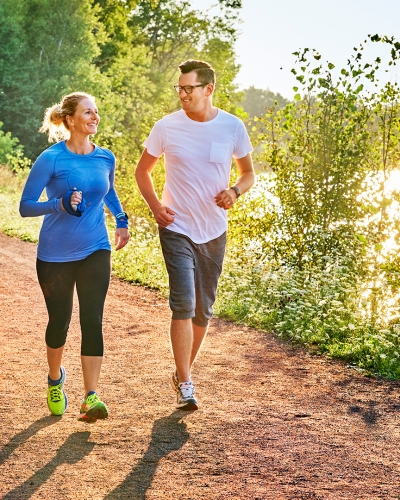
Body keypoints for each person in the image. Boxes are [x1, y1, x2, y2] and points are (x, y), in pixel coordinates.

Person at [135, 60, 255, 411]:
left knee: (204, 310)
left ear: (208, 89)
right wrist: (156, 206)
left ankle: (180, 371)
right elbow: (142, 171)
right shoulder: (166, 127)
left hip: (214, 230)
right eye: (180, 88)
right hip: (177, 226)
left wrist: (234, 191)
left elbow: (248, 174)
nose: (183, 94)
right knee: (184, 304)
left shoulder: (232, 126)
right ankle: (186, 383)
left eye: (189, 88)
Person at [20, 91, 130, 421]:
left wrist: (121, 220)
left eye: (96, 112)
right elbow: (25, 206)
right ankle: (55, 380)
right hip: (55, 254)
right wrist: (60, 204)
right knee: (60, 322)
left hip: (96, 247)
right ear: (70, 120)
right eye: (88, 113)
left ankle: (90, 397)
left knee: (92, 319)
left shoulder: (105, 157)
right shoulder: (51, 159)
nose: (95, 117)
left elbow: (108, 190)